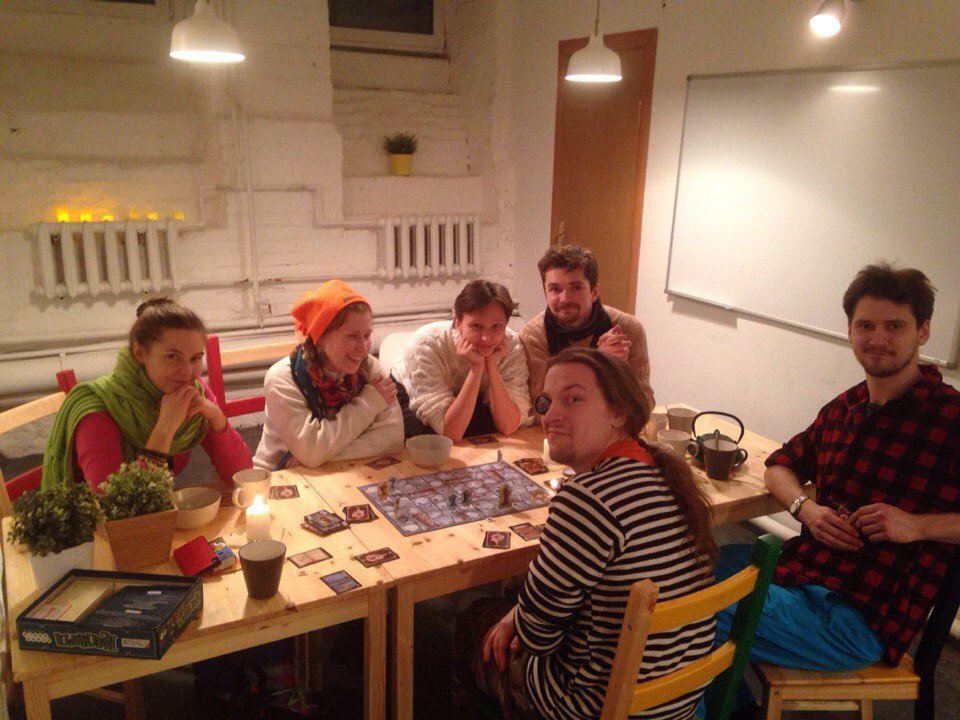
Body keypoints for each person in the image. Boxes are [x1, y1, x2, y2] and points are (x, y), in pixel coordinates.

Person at [716, 263, 960, 675]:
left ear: (922, 331)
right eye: (865, 325)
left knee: (684, 611)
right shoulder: (844, 408)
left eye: (894, 326)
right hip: (800, 570)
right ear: (849, 331)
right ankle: (733, 702)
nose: (877, 339)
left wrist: (918, 526)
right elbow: (778, 466)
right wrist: (805, 509)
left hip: (860, 616)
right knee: (684, 567)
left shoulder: (951, 418)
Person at [452, 348, 716, 720]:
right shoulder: (662, 470)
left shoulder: (587, 498)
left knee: (473, 619)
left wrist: (522, 615)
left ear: (618, 412)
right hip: (676, 702)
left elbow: (537, 638)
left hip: (594, 708)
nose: (550, 415)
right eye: (547, 402)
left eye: (573, 399)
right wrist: (524, 610)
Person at [42, 297, 252, 491]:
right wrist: (165, 428)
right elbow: (116, 505)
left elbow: (243, 477)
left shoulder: (193, 391)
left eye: (196, 358)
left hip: (157, 506)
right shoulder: (98, 412)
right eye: (172, 357)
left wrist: (217, 418)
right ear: (140, 354)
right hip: (99, 517)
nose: (188, 372)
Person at [253, 280, 403, 469]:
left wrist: (321, 455)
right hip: (279, 475)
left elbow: (393, 440)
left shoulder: (369, 367)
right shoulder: (282, 379)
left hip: (342, 470)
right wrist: (369, 403)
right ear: (321, 337)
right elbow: (311, 451)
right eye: (352, 336)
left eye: (367, 335)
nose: (363, 348)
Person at [391, 280, 530, 442]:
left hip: (474, 396)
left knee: (492, 433)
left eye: (496, 326)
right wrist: (476, 367)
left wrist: (491, 366)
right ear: (458, 323)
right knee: (432, 441)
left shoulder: (511, 345)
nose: (486, 338)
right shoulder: (425, 345)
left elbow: (508, 426)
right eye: (477, 326)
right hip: (412, 395)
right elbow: (450, 432)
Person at [519, 245, 654, 408]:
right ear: (545, 293)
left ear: (594, 292)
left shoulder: (629, 329)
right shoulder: (533, 336)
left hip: (612, 423)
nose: (565, 298)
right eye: (555, 289)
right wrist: (601, 363)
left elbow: (644, 403)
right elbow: (542, 406)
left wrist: (615, 371)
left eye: (575, 288)